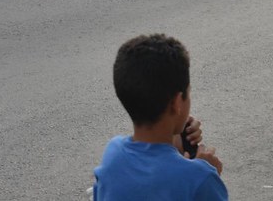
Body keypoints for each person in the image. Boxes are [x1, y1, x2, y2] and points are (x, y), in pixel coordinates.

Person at [93, 34, 226, 200]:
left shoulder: (113, 153)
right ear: (177, 102)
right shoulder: (200, 178)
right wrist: (209, 173)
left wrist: (176, 142)